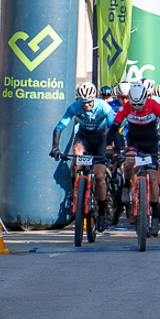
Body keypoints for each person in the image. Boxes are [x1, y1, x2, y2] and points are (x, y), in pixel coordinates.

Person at [113, 83, 160, 236]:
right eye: (134, 105)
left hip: (151, 142)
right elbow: (114, 128)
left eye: (140, 105)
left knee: (153, 177)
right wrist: (114, 148)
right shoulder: (125, 108)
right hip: (134, 141)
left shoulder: (155, 105)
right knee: (129, 162)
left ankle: (156, 215)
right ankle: (126, 186)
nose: (137, 108)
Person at [51, 82, 118, 231]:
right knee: (77, 152)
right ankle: (75, 187)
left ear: (94, 98)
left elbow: (114, 127)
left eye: (89, 102)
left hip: (100, 139)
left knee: (99, 177)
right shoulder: (75, 107)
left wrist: (112, 147)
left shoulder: (103, 106)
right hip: (84, 137)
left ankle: (102, 212)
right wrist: (55, 146)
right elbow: (59, 127)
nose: (86, 105)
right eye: (83, 103)